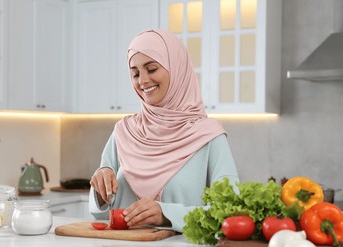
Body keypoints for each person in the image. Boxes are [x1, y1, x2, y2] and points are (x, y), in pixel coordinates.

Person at [89, 29, 239, 232]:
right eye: (135, 73)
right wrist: (100, 186)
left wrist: (167, 215)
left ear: (177, 68)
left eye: (151, 69)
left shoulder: (210, 138)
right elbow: (99, 211)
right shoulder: (123, 132)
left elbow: (228, 211)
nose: (142, 81)